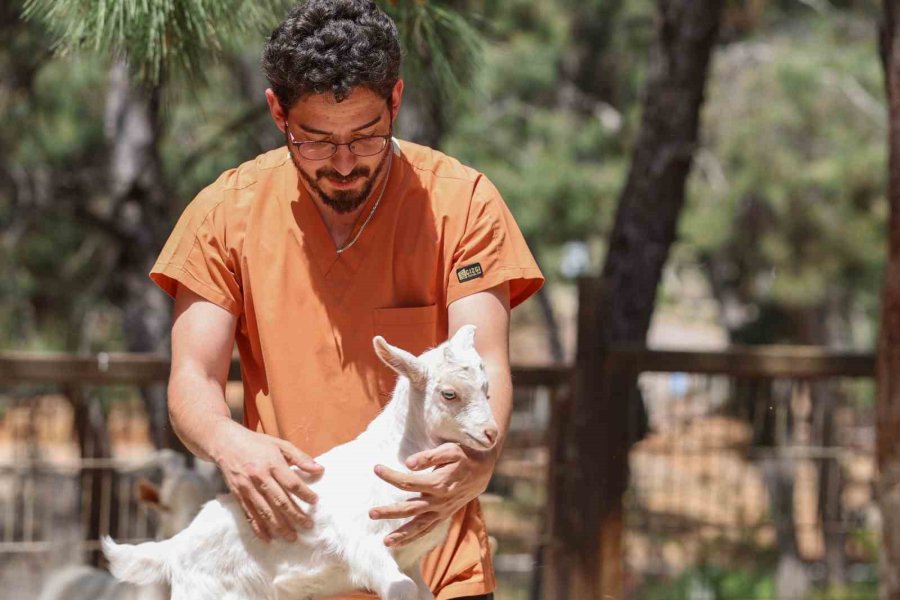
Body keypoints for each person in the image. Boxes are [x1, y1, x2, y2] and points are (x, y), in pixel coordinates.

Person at [150, 1, 543, 598]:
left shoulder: (463, 203)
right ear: (277, 111)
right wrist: (230, 443)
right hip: (287, 571)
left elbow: (487, 362)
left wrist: (478, 463)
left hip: (433, 573)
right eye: (314, 140)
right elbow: (192, 379)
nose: (342, 162)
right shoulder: (222, 214)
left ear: (397, 101)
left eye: (366, 137)